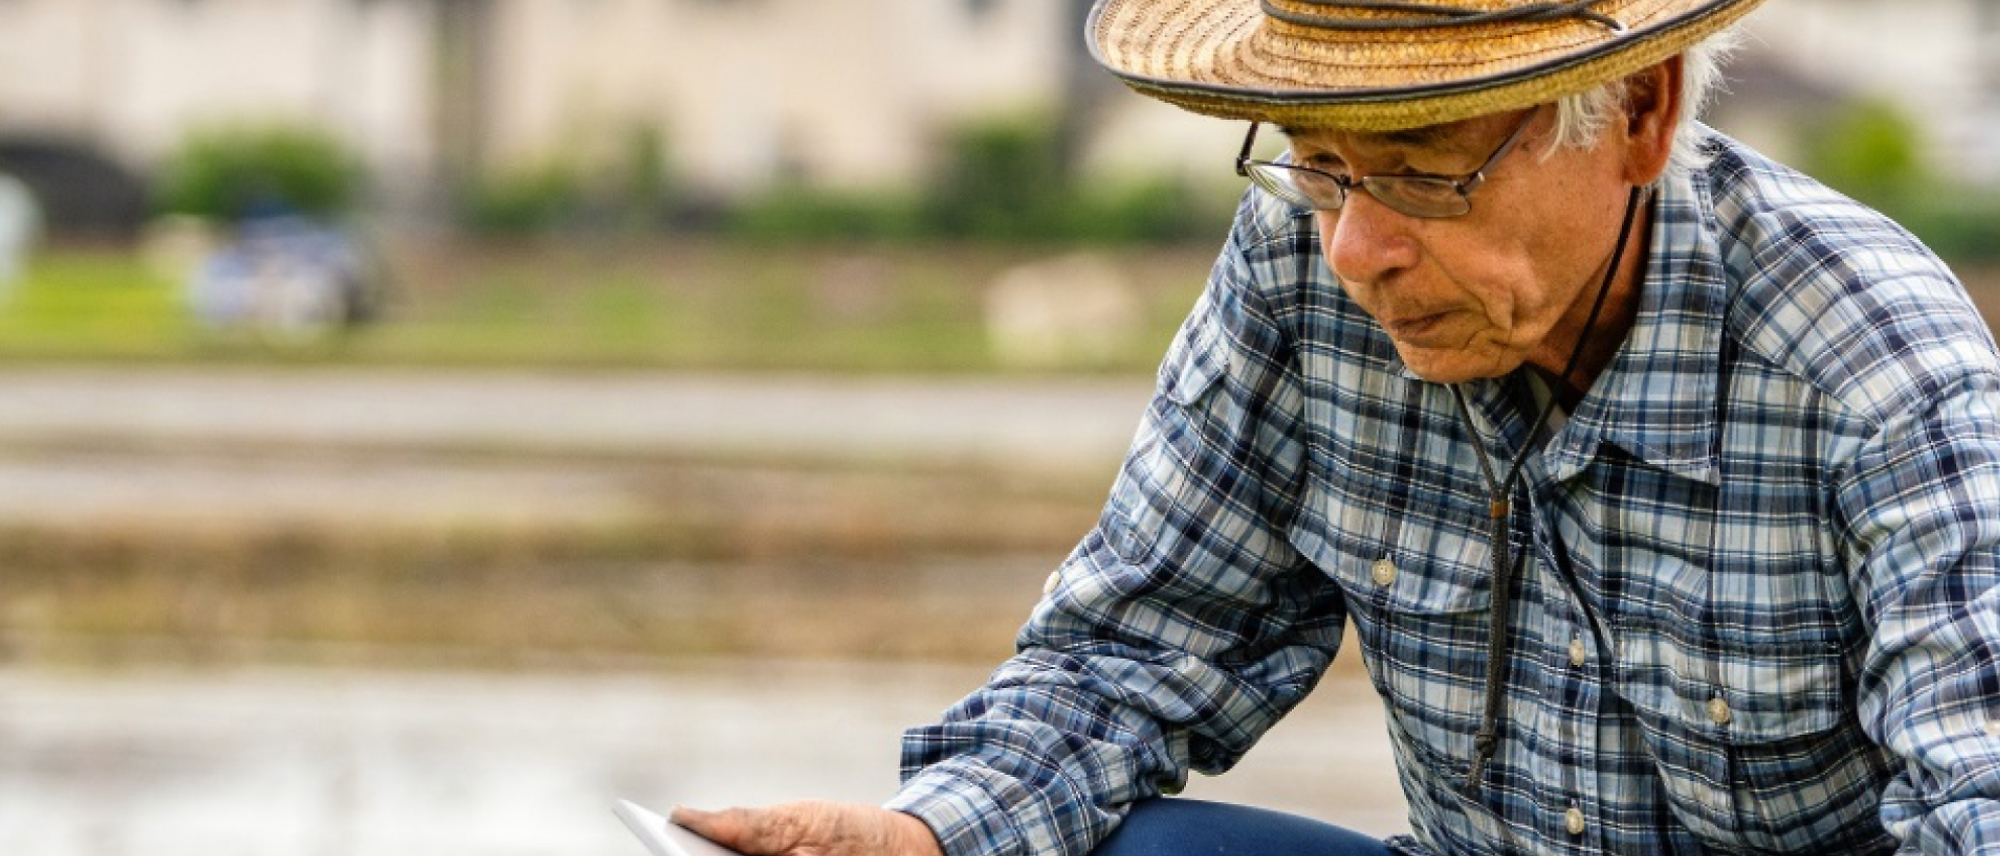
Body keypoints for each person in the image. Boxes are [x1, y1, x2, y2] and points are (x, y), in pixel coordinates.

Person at [674, 0, 2000, 853]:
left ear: (1639, 117)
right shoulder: (1301, 263)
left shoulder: (1872, 363)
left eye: (1426, 167)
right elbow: (1135, 651)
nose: (1359, 246)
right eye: (1319, 163)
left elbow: (1978, 809)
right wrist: (925, 838)